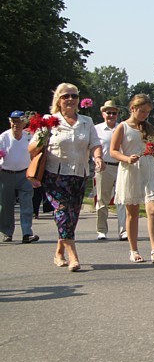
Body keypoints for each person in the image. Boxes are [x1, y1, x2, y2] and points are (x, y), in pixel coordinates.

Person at [28, 84, 104, 271]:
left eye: (74, 96)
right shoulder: (49, 121)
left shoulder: (86, 121)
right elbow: (32, 149)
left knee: (72, 215)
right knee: (62, 213)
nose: (70, 99)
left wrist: (98, 158)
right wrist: (42, 138)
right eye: (65, 96)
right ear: (58, 101)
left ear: (79, 100)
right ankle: (73, 257)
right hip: (55, 175)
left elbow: (95, 143)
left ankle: (59, 252)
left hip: (78, 175)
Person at [110, 94, 154, 264]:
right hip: (130, 169)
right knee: (132, 212)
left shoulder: (148, 128)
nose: (144, 115)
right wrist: (127, 158)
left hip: (148, 167)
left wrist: (153, 153)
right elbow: (113, 150)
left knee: (153, 208)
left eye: (147, 112)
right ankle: (133, 250)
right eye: (142, 111)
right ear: (133, 109)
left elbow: (151, 148)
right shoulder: (123, 127)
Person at [0, 110, 39, 243]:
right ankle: (7, 232)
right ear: (10, 122)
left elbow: (36, 152)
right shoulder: (3, 137)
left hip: (25, 174)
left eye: (18, 121)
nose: (15, 124)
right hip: (6, 174)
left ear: (24, 123)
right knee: (6, 205)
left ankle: (27, 233)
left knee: (27, 203)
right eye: (13, 121)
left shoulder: (29, 136)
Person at [93, 100, 127, 241]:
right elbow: (92, 147)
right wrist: (97, 159)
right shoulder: (97, 129)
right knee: (102, 199)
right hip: (104, 166)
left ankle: (123, 230)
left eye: (114, 113)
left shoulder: (122, 128)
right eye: (108, 112)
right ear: (103, 114)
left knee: (122, 199)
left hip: (121, 166)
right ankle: (101, 230)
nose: (111, 115)